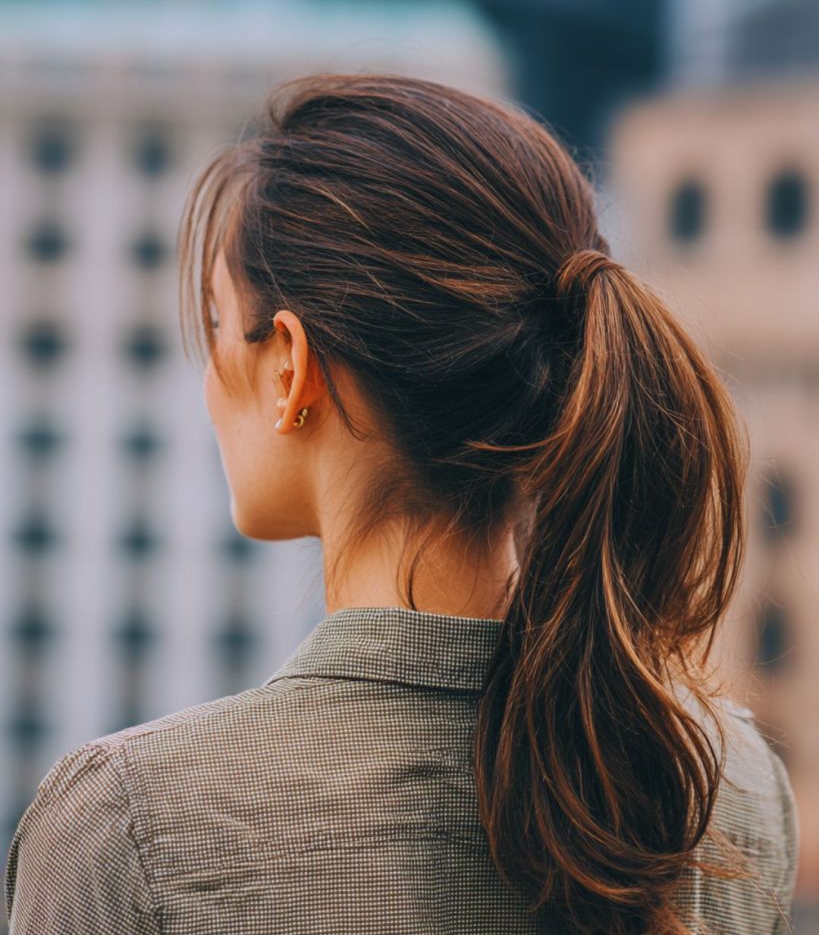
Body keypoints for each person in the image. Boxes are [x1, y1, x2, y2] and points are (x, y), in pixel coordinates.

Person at [4, 72, 798, 934]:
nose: (206, 381)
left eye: (217, 322)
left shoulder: (127, 828)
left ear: (289, 367)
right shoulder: (728, 788)